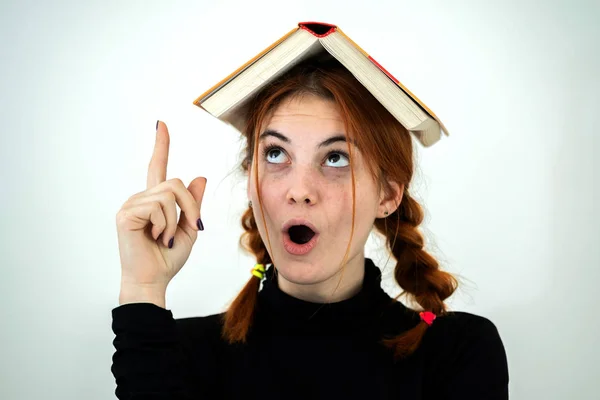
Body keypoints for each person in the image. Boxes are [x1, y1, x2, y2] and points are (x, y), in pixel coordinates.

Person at [111, 57, 509, 399]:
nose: (299, 191)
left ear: (387, 196)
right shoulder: (179, 354)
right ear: (251, 180)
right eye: (276, 153)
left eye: (335, 158)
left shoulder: (455, 353)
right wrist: (143, 291)